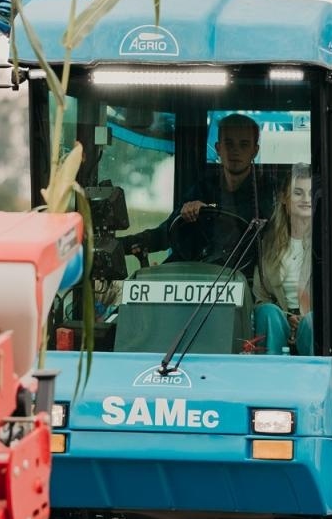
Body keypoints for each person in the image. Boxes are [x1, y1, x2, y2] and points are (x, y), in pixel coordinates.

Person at [123, 113, 272, 265]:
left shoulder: (267, 193)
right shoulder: (204, 187)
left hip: (243, 273)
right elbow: (168, 231)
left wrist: (210, 212)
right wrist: (123, 245)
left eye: (244, 144)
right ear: (218, 148)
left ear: (255, 151)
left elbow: (271, 239)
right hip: (196, 271)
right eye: (229, 144)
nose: (235, 151)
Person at [252, 166, 314, 354]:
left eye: (311, 193)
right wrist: (286, 318)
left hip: (313, 325)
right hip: (280, 322)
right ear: (284, 198)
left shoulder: (331, 244)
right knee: (267, 312)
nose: (306, 199)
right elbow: (260, 297)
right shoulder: (268, 243)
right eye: (298, 193)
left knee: (312, 322)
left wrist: (304, 320)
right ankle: (271, 366)